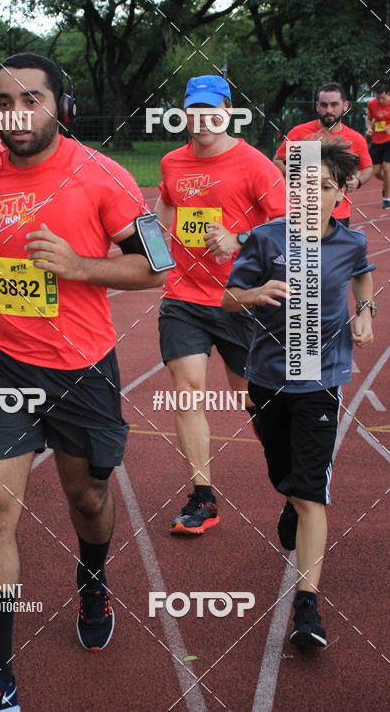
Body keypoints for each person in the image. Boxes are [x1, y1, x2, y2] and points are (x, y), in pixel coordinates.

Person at [0, 53, 165, 711]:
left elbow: (158, 265)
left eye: (31, 99)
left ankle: (92, 578)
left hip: (81, 370)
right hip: (0, 364)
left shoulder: (106, 176)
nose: (16, 113)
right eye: (3, 102)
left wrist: (80, 266)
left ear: (60, 108)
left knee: (88, 498)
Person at [222, 141, 375, 648]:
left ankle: (307, 607)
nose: (313, 194)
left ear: (340, 194)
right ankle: (290, 496)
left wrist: (366, 311)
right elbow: (227, 298)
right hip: (267, 378)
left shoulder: (351, 243)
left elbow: (363, 275)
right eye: (304, 185)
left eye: (324, 187)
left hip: (321, 380)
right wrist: (253, 293)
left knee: (311, 493)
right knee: (283, 475)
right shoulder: (265, 239)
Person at [155, 75, 286, 535]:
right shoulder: (173, 162)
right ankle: (203, 497)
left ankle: (293, 487)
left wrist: (240, 238)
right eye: (194, 111)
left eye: (212, 111)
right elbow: (167, 205)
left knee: (251, 399)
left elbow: (290, 224)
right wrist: (157, 248)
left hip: (239, 300)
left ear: (228, 111)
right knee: (187, 388)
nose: (203, 120)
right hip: (184, 295)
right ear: (185, 113)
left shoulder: (253, 164)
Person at [273, 82, 373, 226]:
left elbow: (367, 168)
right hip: (302, 211)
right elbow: (277, 161)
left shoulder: (356, 138)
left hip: (338, 215)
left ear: (345, 106)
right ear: (317, 106)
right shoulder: (299, 132)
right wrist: (300, 175)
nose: (329, 110)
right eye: (324, 105)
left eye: (334, 104)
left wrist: (358, 181)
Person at [365, 81, 390, 210]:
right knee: (375, 171)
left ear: (388, 94)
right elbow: (369, 118)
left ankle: (386, 199)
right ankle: (389, 181)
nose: (380, 101)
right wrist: (369, 128)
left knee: (387, 168)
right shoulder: (372, 104)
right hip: (377, 140)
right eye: (378, 98)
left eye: (383, 97)